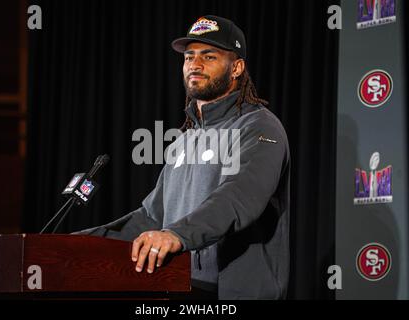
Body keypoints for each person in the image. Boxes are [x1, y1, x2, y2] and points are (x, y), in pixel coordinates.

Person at [74, 15, 290, 300]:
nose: (195, 65)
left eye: (209, 57)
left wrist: (176, 235)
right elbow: (153, 216)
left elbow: (238, 196)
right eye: (189, 57)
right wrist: (82, 244)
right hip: (182, 287)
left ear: (237, 67)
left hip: (236, 293)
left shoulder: (259, 127)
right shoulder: (186, 138)